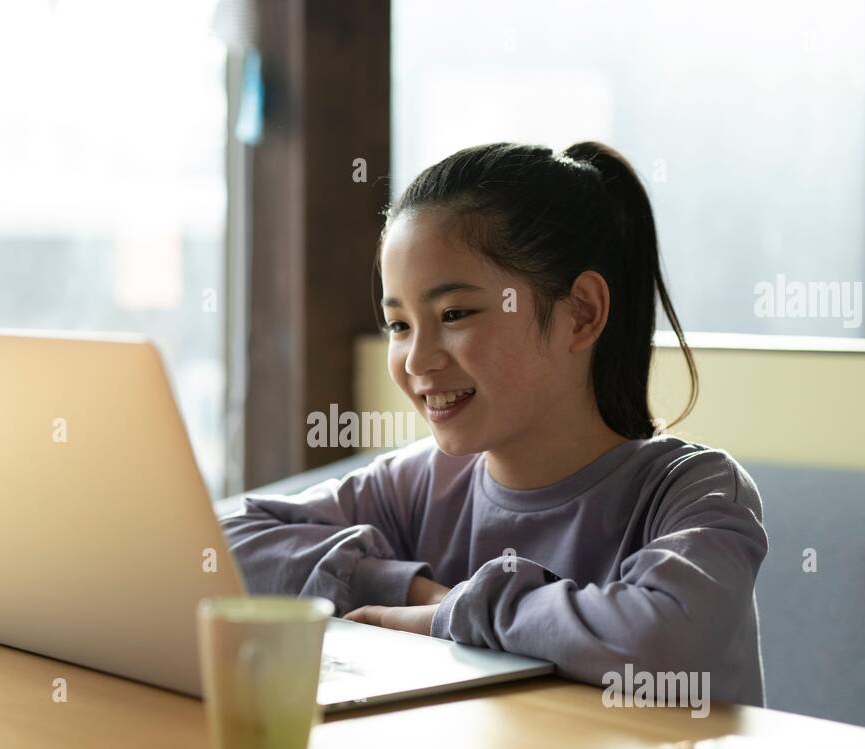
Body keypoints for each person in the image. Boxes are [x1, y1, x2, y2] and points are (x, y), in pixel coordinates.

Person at [220, 141, 768, 707]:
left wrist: (454, 612)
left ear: (581, 312)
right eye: (399, 324)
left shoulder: (693, 490)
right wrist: (399, 585)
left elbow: (665, 641)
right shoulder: (418, 485)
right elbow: (219, 544)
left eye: (454, 314)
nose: (416, 360)